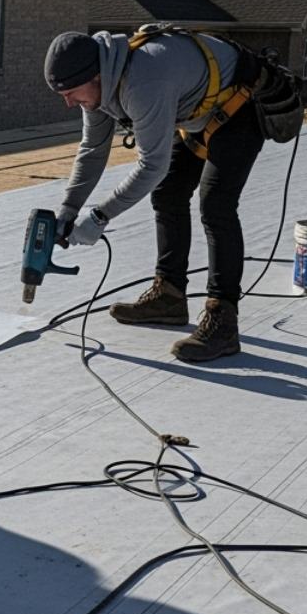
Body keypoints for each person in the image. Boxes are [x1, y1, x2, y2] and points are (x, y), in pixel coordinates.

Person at [43, 28, 264, 363]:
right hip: (193, 109)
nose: (69, 102)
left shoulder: (143, 81)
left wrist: (100, 216)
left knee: (216, 205)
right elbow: (92, 150)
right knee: (168, 194)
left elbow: (152, 166)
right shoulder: (97, 85)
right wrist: (68, 209)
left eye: (72, 93)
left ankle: (223, 319)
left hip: (240, 104)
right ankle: (170, 296)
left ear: (97, 76)